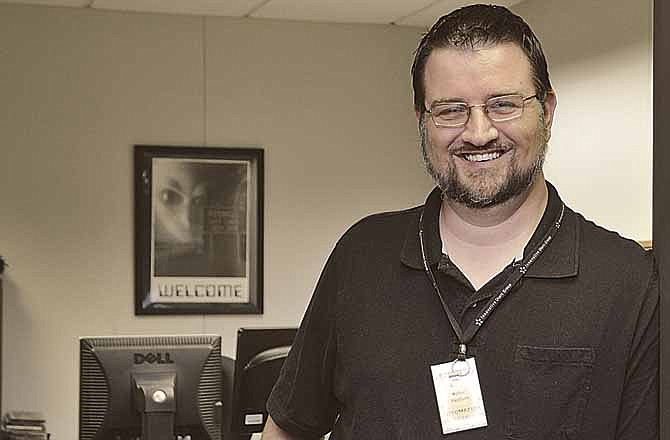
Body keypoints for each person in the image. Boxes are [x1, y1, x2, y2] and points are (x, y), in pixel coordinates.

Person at [263, 4, 659, 439]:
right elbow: (289, 427)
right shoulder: (361, 255)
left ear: (546, 110)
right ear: (422, 122)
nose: (478, 132)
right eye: (451, 110)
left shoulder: (629, 281)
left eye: (503, 105)